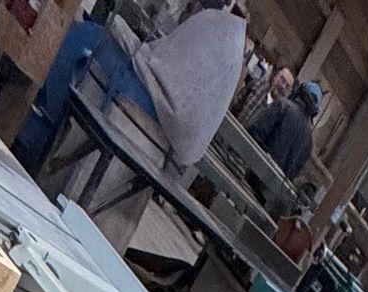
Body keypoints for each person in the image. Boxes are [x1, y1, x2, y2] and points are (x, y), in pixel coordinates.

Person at [16, 0, 247, 181]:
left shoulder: (215, 28)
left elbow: (161, 74)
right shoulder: (230, 39)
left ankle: (32, 130)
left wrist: (123, 32)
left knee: (89, 37)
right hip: (165, 126)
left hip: (147, 106)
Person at [245, 75, 320, 182]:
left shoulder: (283, 106)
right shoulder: (309, 143)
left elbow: (256, 132)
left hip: (250, 172)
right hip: (268, 192)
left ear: (299, 91)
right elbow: (292, 174)